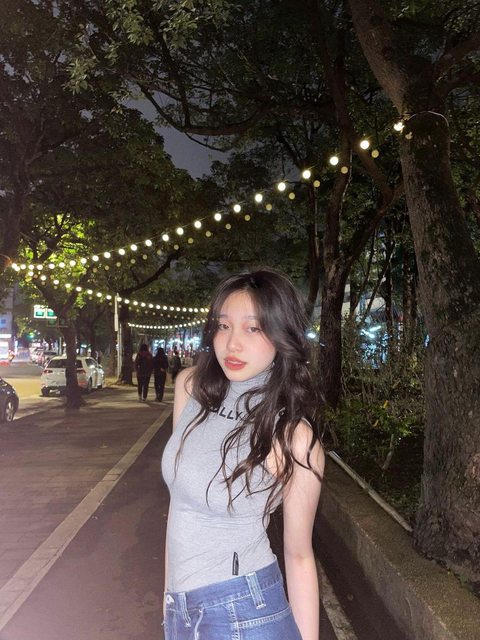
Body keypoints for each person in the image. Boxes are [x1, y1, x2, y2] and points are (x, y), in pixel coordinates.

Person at [161, 268, 325, 640]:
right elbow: (179, 504)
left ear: (281, 334)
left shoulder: (292, 435)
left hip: (245, 612)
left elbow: (299, 555)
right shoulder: (190, 388)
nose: (232, 344)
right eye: (223, 326)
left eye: (253, 328)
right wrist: (169, 606)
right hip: (180, 609)